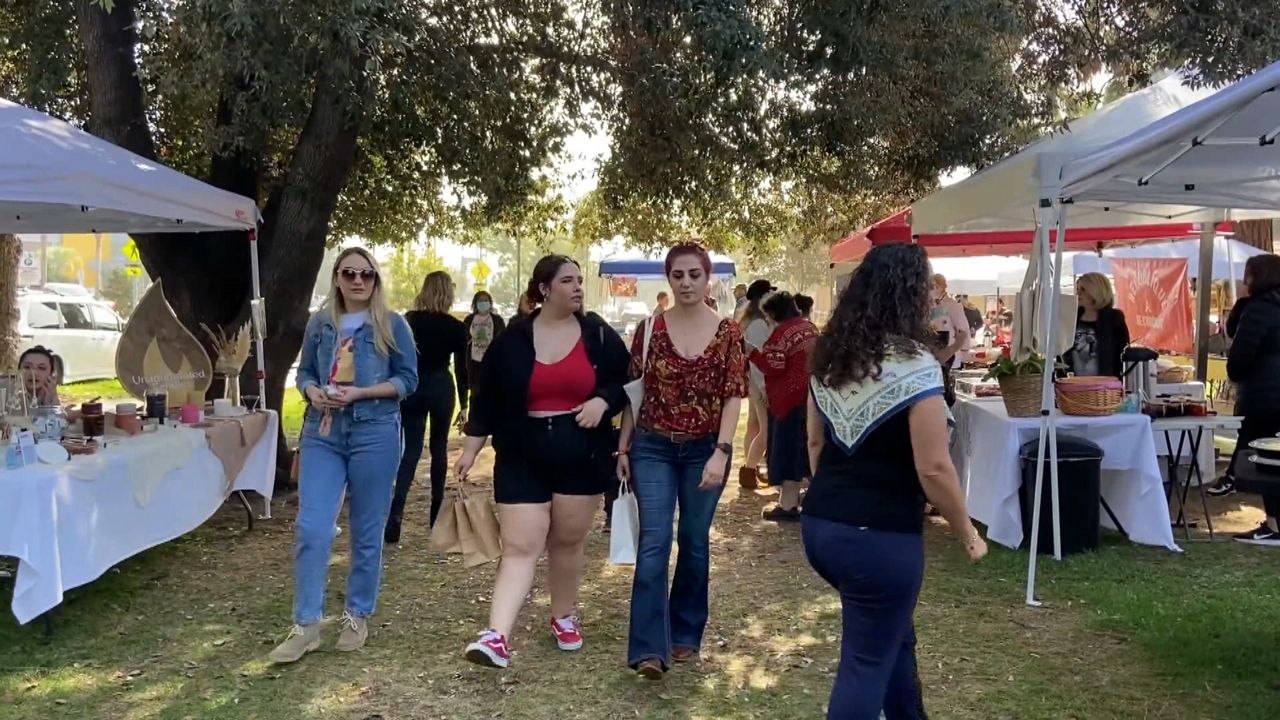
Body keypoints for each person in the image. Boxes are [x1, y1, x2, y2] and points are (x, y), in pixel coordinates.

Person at [805, 244, 987, 718]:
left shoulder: (829, 359)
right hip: (881, 537)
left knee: (890, 636)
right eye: (926, 285)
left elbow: (815, 447)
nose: (932, 294)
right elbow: (933, 467)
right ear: (907, 293)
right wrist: (967, 531)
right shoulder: (915, 366)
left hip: (824, 526)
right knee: (865, 662)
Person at [455, 254, 630, 668]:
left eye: (579, 281)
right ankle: (496, 636)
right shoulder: (513, 337)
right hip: (521, 451)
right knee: (519, 546)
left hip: (581, 451)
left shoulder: (597, 334)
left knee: (567, 542)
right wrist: (470, 449)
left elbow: (627, 379)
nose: (577, 288)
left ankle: (563, 615)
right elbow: (488, 397)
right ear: (544, 289)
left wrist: (603, 401)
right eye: (567, 281)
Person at [270, 247, 418, 664]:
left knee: (366, 529)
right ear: (336, 278)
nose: (358, 281)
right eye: (349, 273)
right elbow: (305, 372)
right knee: (312, 527)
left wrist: (363, 393)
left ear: (376, 280)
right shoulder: (321, 323)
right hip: (324, 431)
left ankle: (357, 614)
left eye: (366, 274)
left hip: (374, 430)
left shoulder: (393, 325)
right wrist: (310, 391)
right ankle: (306, 626)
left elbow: (408, 379)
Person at [617, 241, 747, 680]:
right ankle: (649, 649)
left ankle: (686, 631)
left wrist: (722, 451)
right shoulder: (649, 329)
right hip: (652, 446)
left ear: (707, 277)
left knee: (693, 541)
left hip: (705, 450)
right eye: (678, 275)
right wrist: (623, 448)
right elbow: (634, 395)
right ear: (668, 279)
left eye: (694, 274)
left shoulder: (729, 332)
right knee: (654, 542)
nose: (686, 282)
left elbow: (733, 396)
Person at [385, 271, 470, 544]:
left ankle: (396, 512)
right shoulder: (456, 328)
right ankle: (435, 514)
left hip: (413, 386)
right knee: (439, 449)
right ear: (448, 294)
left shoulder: (409, 321)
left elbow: (395, 358)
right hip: (441, 386)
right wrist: (465, 402)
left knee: (409, 451)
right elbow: (462, 369)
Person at [1220, 254, 1280, 545]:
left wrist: (1243, 303)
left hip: (1265, 397)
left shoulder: (1258, 309)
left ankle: (1274, 526)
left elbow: (1238, 359)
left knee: (1268, 463)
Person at [748, 292, 818, 521]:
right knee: (804, 451)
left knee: (787, 453)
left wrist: (752, 353)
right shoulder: (809, 327)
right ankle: (807, 498)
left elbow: (774, 365)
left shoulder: (782, 332)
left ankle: (787, 504)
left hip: (788, 401)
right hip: (812, 398)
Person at [738, 278, 775, 489]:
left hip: (752, 380)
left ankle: (749, 467)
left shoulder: (748, 321)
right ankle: (750, 468)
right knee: (766, 428)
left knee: (754, 426)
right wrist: (763, 388)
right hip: (757, 381)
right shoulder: (759, 324)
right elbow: (759, 359)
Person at [1065, 272, 1129, 378]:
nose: (1078, 293)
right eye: (1077, 289)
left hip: (1105, 387)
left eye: (1083, 289)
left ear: (1096, 291)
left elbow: (1124, 354)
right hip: (1073, 386)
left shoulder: (1114, 319)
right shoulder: (1071, 318)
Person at [928, 274, 970, 404]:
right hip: (932, 355)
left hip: (950, 353)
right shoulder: (927, 305)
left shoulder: (953, 306)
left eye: (934, 286)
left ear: (941, 287)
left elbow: (964, 331)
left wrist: (964, 351)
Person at [462, 291, 507, 405]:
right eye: (480, 301)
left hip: (492, 364)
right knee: (476, 395)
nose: (483, 303)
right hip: (474, 364)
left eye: (486, 300)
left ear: (490, 303)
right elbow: (464, 340)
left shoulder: (497, 320)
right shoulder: (469, 320)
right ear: (475, 304)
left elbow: (503, 341)